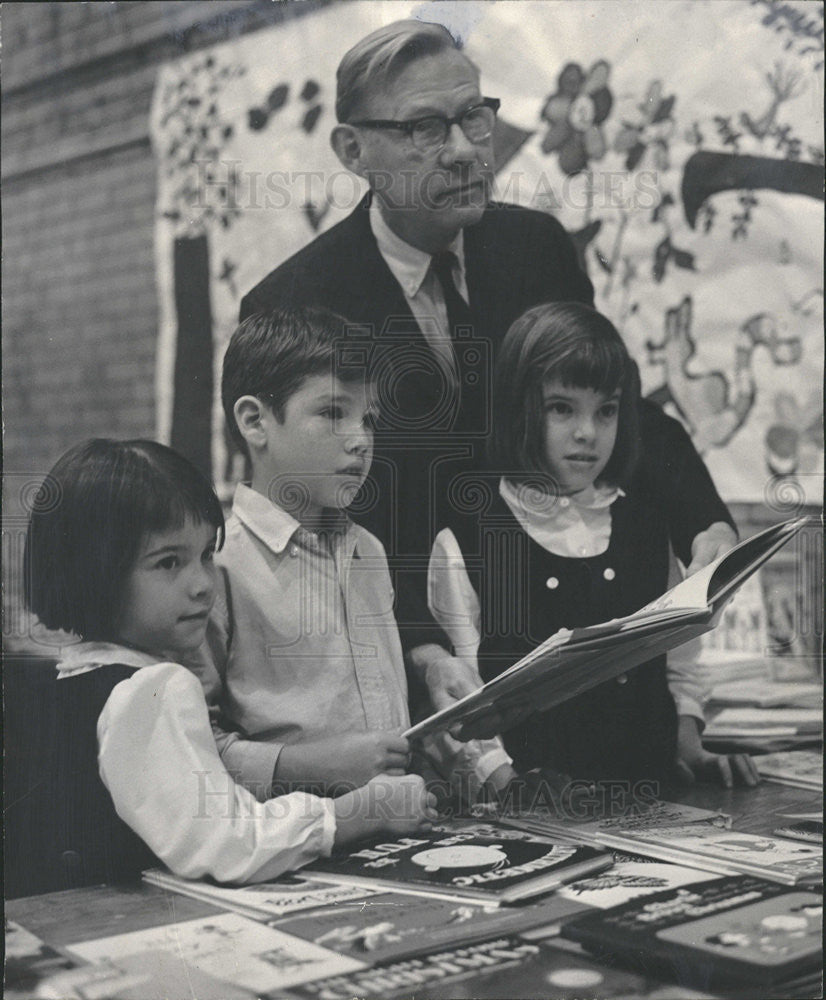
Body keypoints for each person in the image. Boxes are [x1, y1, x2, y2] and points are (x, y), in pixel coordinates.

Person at [240, 19, 737, 725]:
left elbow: (612, 397)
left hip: (561, 648)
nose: (466, 151)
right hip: (413, 668)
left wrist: (703, 524)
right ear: (353, 150)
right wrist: (417, 647)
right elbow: (309, 522)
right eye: (425, 128)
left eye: (474, 116)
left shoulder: (534, 248)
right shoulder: (293, 303)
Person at [22, 438, 436, 890]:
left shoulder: (71, 676)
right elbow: (228, 842)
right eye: (168, 563)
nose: (202, 583)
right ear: (94, 571)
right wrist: (362, 811)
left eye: (204, 555)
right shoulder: (154, 689)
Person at [188, 307, 516, 806]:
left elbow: (393, 721)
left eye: (369, 419)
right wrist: (307, 766)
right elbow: (194, 748)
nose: (361, 440)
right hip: (296, 843)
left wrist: (484, 769)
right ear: (255, 422)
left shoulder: (368, 550)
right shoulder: (218, 567)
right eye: (333, 414)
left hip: (405, 823)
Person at [427, 302, 760, 786]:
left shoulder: (645, 523)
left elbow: (679, 667)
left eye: (606, 411)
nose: (587, 433)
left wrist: (693, 749)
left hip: (653, 796)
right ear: (521, 407)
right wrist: (504, 783)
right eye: (562, 408)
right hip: (528, 809)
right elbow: (460, 702)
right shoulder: (470, 536)